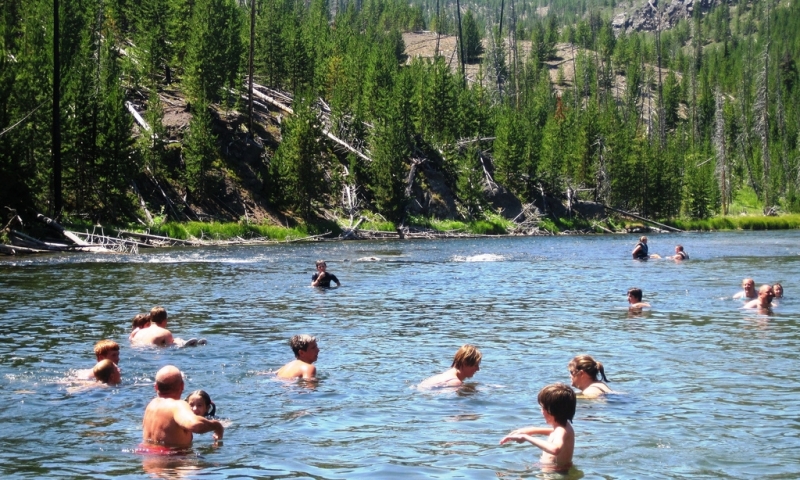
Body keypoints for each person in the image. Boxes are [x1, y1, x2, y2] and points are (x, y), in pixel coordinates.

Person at [142, 365, 224, 450]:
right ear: (182, 386)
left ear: (156, 387)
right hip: (173, 460)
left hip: (147, 459)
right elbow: (195, 425)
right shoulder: (177, 406)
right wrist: (217, 426)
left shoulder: (151, 405)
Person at [500, 383, 576, 472]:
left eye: (543, 407)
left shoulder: (561, 430)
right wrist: (531, 430)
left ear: (551, 410)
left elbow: (555, 449)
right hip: (556, 471)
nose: (541, 411)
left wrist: (526, 437)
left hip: (557, 475)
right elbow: (555, 432)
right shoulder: (564, 427)